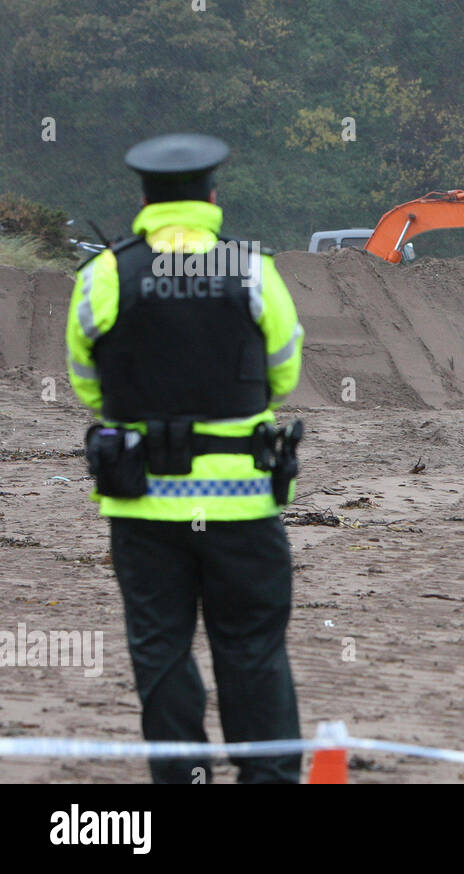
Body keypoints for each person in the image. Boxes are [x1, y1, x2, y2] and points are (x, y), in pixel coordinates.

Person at [66, 133, 306, 783]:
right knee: (254, 651)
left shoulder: (105, 274)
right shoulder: (252, 270)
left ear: (144, 199)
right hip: (243, 507)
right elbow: (283, 371)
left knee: (162, 655)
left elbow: (88, 381)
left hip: (142, 505)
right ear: (212, 196)